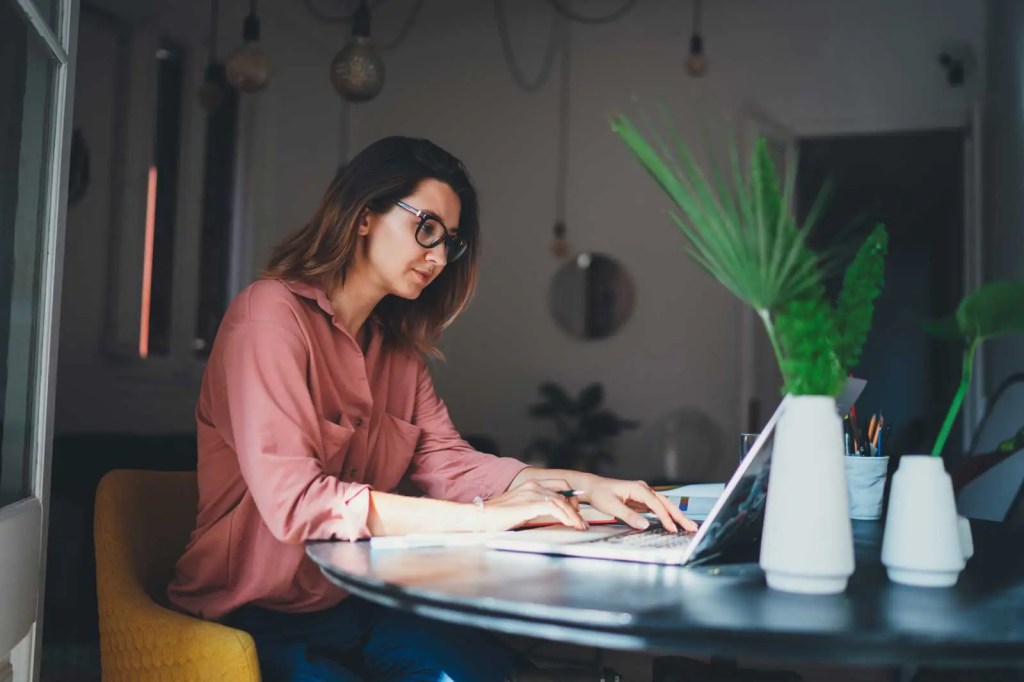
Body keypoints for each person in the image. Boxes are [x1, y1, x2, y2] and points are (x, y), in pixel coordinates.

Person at [168, 136, 695, 681]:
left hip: (357, 597)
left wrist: (586, 485)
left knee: (498, 673)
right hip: (252, 614)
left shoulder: (397, 353)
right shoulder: (268, 317)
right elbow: (297, 502)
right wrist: (484, 520)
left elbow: (450, 464)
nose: (440, 258)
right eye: (427, 228)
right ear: (364, 216)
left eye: (451, 242)